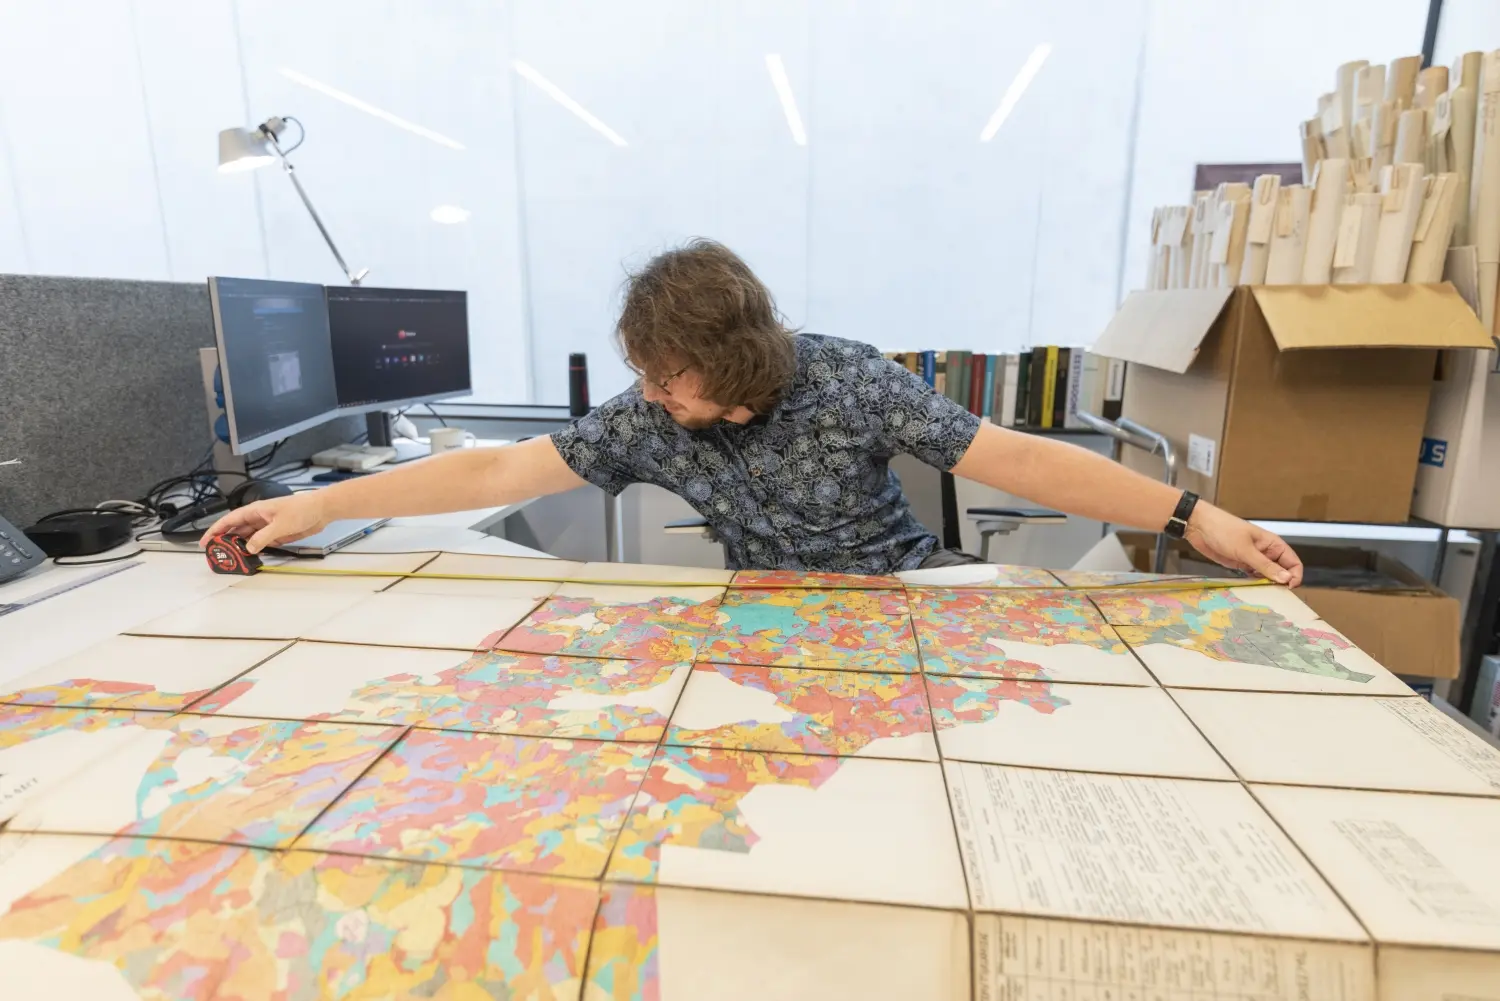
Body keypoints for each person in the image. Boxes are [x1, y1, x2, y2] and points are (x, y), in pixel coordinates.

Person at [202, 239, 1303, 585]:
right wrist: (318, 507)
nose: (649, 394)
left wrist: (1192, 514)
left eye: (669, 376)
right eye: (644, 372)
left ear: (735, 367)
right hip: (764, 614)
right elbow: (497, 470)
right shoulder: (648, 417)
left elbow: (1017, 459)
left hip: (903, 595)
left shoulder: (850, 380)